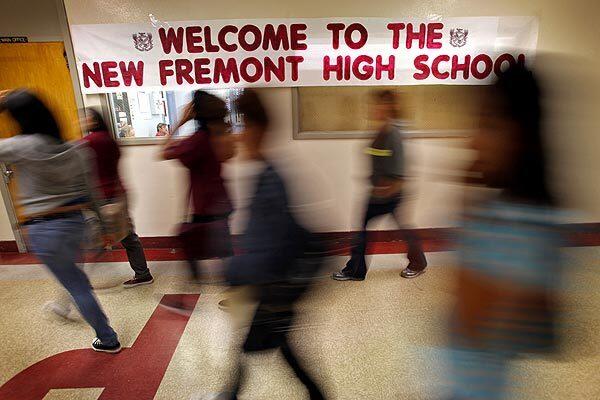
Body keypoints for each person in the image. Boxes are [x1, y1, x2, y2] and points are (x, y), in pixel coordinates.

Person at [448, 64, 562, 399]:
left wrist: (466, 207)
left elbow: (469, 321)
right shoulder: (512, 214)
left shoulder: (521, 226)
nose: (474, 139)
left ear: (519, 133)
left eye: (488, 123)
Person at [206, 90, 327, 400]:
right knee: (271, 345)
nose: (237, 135)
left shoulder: (270, 180)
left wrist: (231, 270)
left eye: (241, 125)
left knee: (260, 344)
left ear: (258, 129)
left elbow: (272, 249)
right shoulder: (266, 173)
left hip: (276, 285)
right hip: (277, 287)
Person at [0, 90, 121, 353]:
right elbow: (93, 194)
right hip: (76, 224)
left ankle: (108, 338)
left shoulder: (21, 146)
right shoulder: (77, 149)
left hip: (45, 229)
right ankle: (73, 310)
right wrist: (105, 229)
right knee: (76, 280)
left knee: (77, 285)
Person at [333, 90, 427, 281]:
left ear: (390, 107)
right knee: (391, 229)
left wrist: (386, 192)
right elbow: (376, 156)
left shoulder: (393, 134)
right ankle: (417, 261)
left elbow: (399, 173)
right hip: (379, 193)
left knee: (371, 231)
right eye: (373, 105)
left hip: (390, 194)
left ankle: (356, 271)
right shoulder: (380, 131)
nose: (374, 108)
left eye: (380, 105)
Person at [160, 91, 235, 312]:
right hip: (220, 200)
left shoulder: (199, 140)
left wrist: (179, 122)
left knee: (191, 245)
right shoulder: (218, 133)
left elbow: (164, 152)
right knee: (221, 251)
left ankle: (185, 299)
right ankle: (188, 296)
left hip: (206, 205)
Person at [81, 108, 153, 288]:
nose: (82, 122)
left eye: (85, 119)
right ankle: (143, 273)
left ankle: (143, 274)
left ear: (93, 120)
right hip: (117, 193)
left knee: (109, 237)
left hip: (104, 196)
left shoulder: (91, 140)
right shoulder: (110, 139)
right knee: (126, 235)